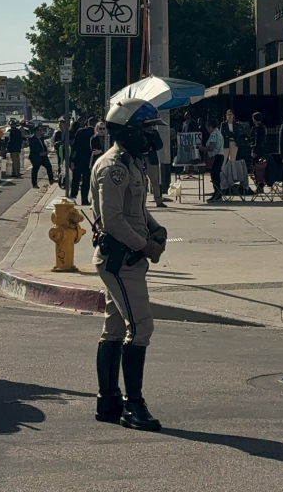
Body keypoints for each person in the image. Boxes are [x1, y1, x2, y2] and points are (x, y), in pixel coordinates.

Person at [90, 98, 168, 432]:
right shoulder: (115, 167)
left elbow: (134, 208)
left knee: (115, 329)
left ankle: (108, 401)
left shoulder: (130, 163)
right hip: (122, 259)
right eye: (147, 129)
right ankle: (133, 406)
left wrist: (153, 226)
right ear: (131, 130)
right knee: (140, 328)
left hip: (126, 258)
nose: (152, 137)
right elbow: (112, 220)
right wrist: (146, 245)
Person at [71, 116, 96, 206]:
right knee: (86, 180)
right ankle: (84, 199)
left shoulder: (80, 131)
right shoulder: (94, 133)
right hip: (88, 159)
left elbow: (74, 145)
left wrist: (72, 158)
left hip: (78, 158)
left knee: (76, 178)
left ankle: (73, 196)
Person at [144, 124, 165, 208]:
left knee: (155, 181)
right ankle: (142, 202)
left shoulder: (154, 133)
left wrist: (153, 135)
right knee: (142, 181)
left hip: (151, 158)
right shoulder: (139, 132)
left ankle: (158, 200)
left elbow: (159, 145)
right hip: (141, 158)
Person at [205, 122, 225, 203]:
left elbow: (211, 147)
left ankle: (217, 193)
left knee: (214, 175)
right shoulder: (219, 133)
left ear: (210, 127)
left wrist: (203, 149)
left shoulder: (213, 134)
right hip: (220, 155)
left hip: (215, 156)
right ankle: (218, 192)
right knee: (216, 175)